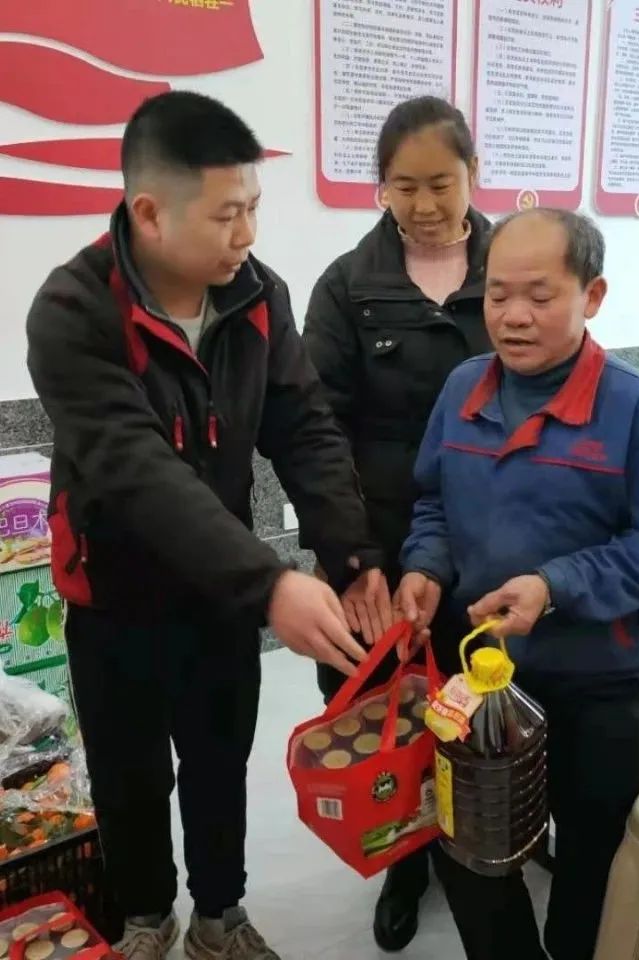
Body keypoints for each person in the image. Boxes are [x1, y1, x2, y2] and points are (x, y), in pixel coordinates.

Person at [26, 91, 391, 960]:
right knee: (130, 776)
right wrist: (269, 583)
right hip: (114, 597)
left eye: (254, 208)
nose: (247, 235)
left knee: (220, 762)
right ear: (150, 213)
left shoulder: (258, 297)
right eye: (228, 215)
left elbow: (305, 429)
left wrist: (350, 557)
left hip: (217, 600)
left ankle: (220, 920)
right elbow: (137, 471)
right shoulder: (74, 311)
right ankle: (146, 918)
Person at [397, 208, 639, 960]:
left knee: (590, 849)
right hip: (488, 675)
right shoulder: (462, 389)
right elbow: (433, 500)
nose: (513, 316)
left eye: (540, 295)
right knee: (473, 843)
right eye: (498, 294)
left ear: (591, 295)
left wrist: (554, 585)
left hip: (600, 681)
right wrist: (425, 565)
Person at [302, 96, 492, 952]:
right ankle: (404, 861)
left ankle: (483, 845)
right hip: (374, 536)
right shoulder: (348, 285)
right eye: (403, 186)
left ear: (473, 175)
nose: (423, 204)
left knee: (478, 700)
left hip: (489, 536)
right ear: (379, 187)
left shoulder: (512, 269)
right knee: (384, 709)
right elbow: (315, 431)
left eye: (441, 183)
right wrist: (351, 558)